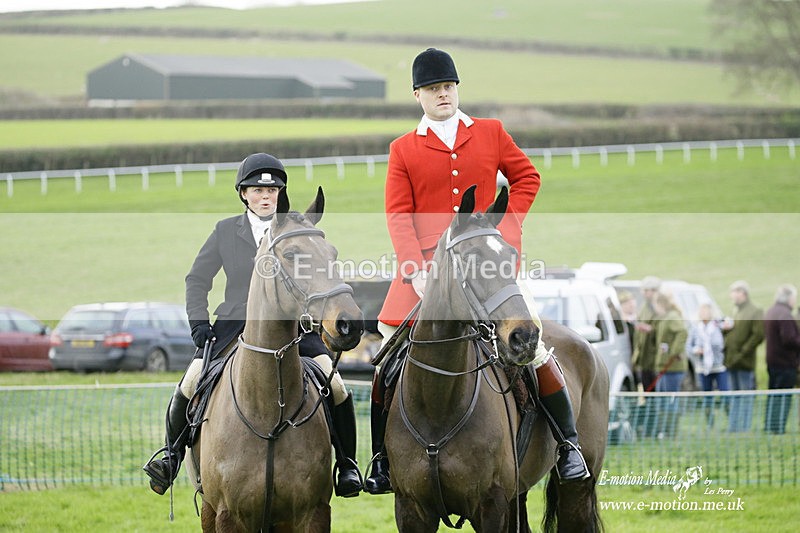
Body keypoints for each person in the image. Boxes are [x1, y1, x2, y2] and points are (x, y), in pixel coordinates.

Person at [364, 47, 590, 494]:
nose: (442, 94)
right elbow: (397, 214)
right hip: (428, 269)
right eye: (433, 88)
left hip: (490, 263)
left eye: (448, 86)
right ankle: (381, 461)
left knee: (533, 343)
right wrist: (414, 268)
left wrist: (502, 233)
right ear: (418, 95)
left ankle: (567, 446)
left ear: (456, 89)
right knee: (387, 352)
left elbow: (528, 178)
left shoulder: (490, 132)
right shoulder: (403, 149)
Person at [142, 153, 363, 497]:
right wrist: (200, 326)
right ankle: (170, 456)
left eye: (273, 190)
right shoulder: (226, 231)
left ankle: (347, 465)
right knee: (190, 381)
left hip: (296, 331)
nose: (266, 196)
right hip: (233, 329)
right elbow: (197, 280)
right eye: (258, 191)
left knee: (335, 385)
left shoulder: (297, 232)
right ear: (243, 194)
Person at [721, 280, 764, 432]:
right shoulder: (735, 311)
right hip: (731, 360)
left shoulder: (755, 311)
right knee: (734, 395)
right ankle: (733, 426)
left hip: (744, 361)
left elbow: (758, 334)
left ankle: (744, 427)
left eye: (734, 293)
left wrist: (743, 352)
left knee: (746, 395)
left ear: (743, 293)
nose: (732, 296)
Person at [763, 284, 800, 434]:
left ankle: (770, 425)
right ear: (789, 298)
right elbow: (789, 339)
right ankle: (777, 428)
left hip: (772, 360)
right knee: (783, 396)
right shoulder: (784, 314)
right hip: (785, 362)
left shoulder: (771, 311)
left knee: (774, 394)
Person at [651, 290, 688, 438]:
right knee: (662, 400)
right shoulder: (664, 317)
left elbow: (682, 332)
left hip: (672, 367)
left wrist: (674, 352)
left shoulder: (672, 317)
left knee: (670, 400)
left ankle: (670, 431)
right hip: (663, 366)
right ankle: (663, 430)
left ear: (660, 304)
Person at [686, 303, 729, 427]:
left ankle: (730, 420)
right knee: (707, 395)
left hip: (718, 366)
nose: (704, 314)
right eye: (702, 311)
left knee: (725, 394)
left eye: (706, 311)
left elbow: (729, 323)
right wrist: (696, 350)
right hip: (703, 367)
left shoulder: (717, 326)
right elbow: (688, 347)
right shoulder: (695, 329)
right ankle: (710, 423)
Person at [632, 276, 661, 394]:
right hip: (644, 357)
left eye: (646, 291)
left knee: (657, 389)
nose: (644, 293)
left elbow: (664, 330)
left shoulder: (660, 307)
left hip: (656, 356)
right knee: (647, 388)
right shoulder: (644, 306)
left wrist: (651, 330)